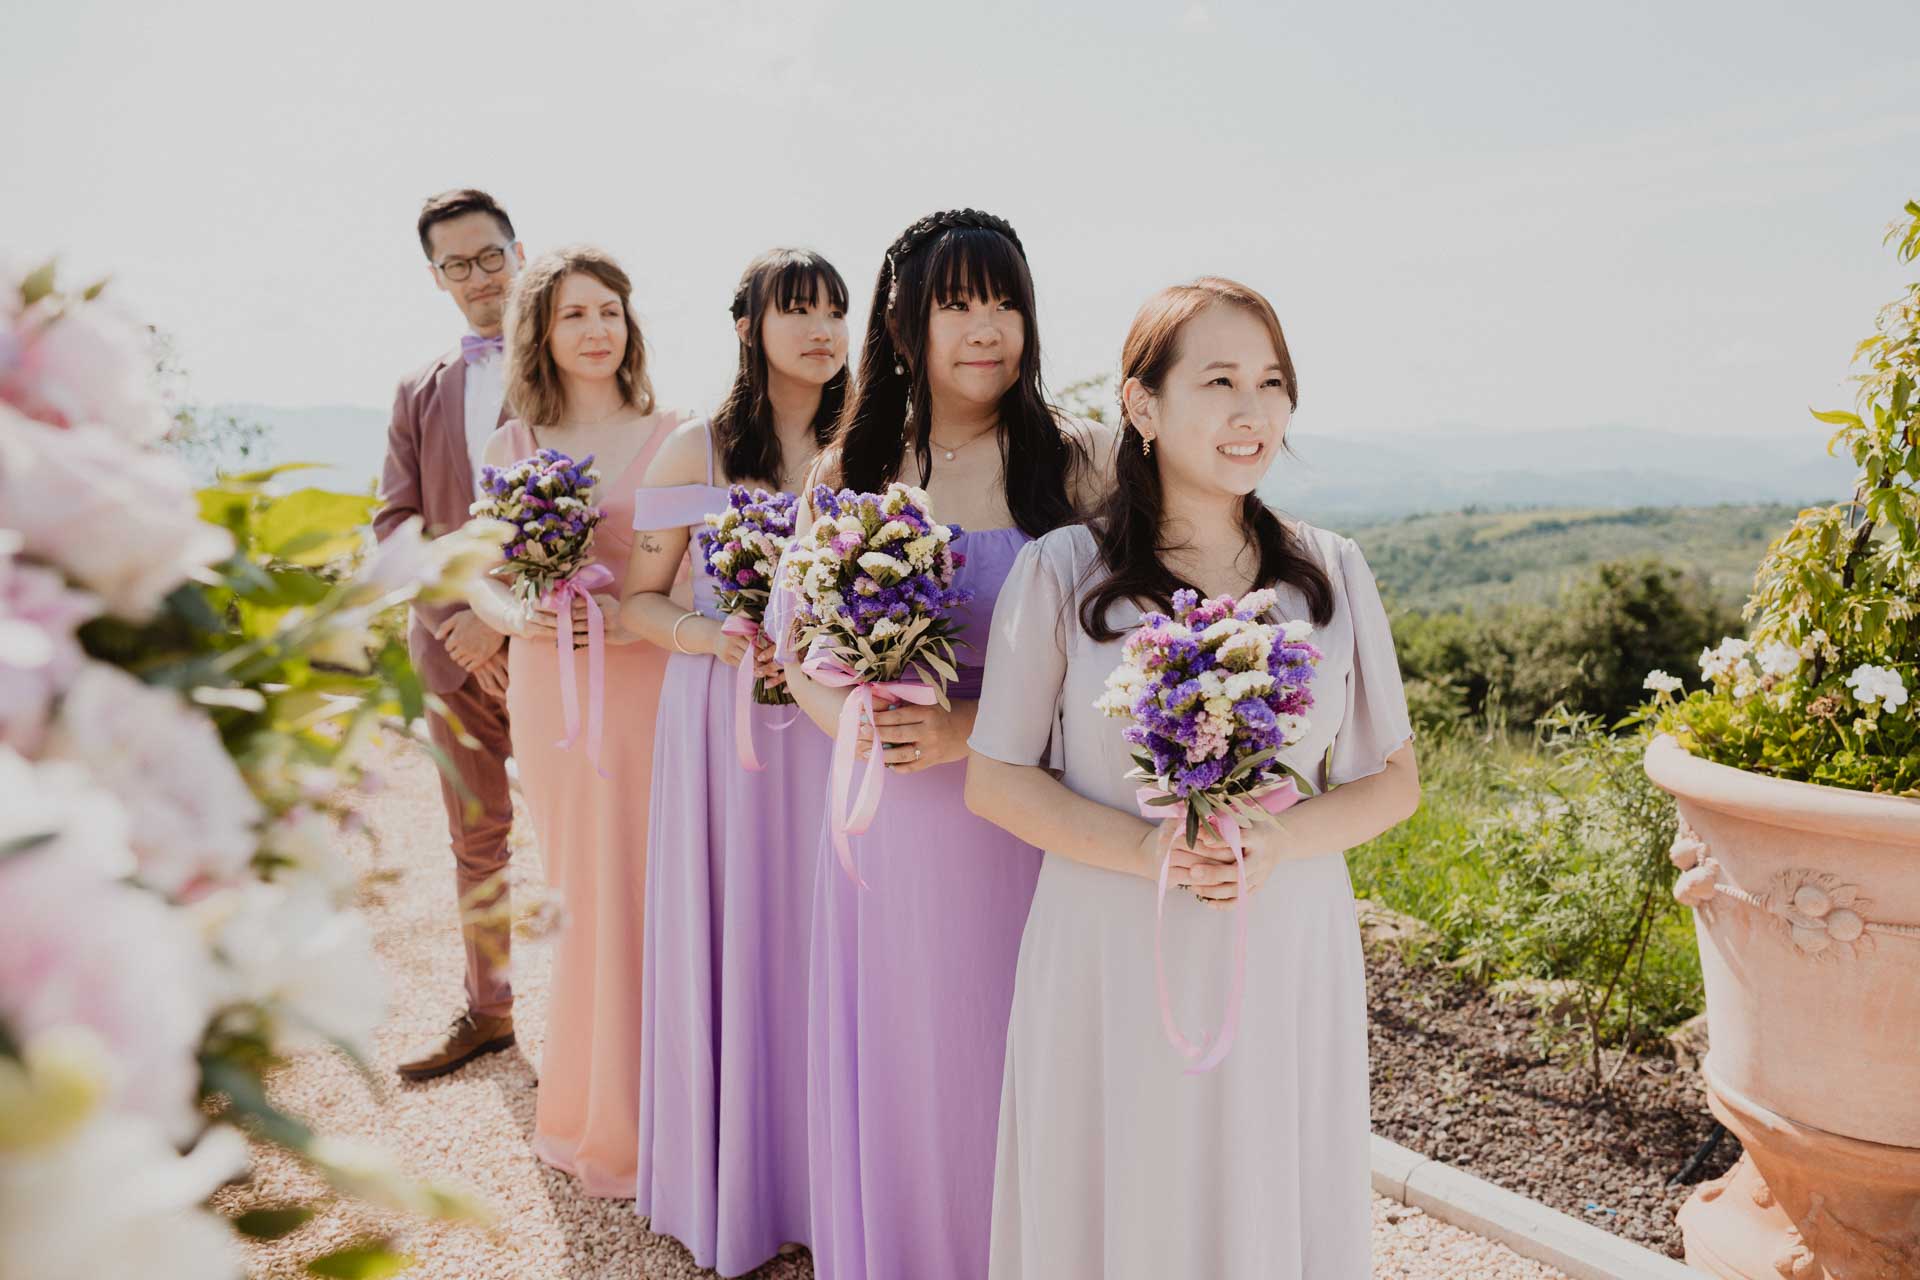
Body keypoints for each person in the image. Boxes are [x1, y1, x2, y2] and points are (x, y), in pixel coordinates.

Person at [965, 278, 1420, 1279]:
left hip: (1284, 933)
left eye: (1271, 382)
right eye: (1218, 380)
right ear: (1142, 404)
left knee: (1268, 1176)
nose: (1251, 410)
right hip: (1110, 936)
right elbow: (995, 778)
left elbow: (1393, 777)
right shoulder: (1060, 572)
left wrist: (1282, 840)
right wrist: (1147, 846)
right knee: (1120, 1177)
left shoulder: (1332, 572)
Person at [774, 209, 1112, 1280]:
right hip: (899, 820)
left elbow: (1122, 658)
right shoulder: (854, 463)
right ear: (906, 322)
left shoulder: (1083, 463)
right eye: (959, 302)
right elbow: (803, 644)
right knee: (917, 1062)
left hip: (1038, 815)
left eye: (1004, 298)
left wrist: (970, 726)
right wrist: (868, 724)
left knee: (1037, 1055)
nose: (987, 326)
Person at [621, 247, 850, 1274]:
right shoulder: (696, 448)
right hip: (726, 722)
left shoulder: (877, 441)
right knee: (741, 934)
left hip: (839, 724)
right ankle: (739, 1186)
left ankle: (833, 1178)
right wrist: (712, 636)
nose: (821, 329)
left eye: (836, 310)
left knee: (831, 939)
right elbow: (638, 599)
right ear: (749, 325)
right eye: (796, 310)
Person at [463, 245, 684, 1195]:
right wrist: (526, 617)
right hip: (558, 691)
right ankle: (604, 1116)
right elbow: (480, 577)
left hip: (658, 683)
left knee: (668, 888)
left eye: (610, 311)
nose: (598, 331)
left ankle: (689, 1114)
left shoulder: (679, 432)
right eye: (574, 316)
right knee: (589, 891)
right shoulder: (512, 448)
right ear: (540, 336)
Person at [376, 187, 528, 1083]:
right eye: (456, 265)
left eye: (490, 256)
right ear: (436, 277)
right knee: (476, 838)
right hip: (447, 653)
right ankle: (491, 1010)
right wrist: (457, 624)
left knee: (596, 833)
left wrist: (504, 625)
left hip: (552, 645)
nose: (478, 277)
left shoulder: (580, 362)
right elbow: (395, 523)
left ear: (519, 251)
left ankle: (616, 1023)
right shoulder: (418, 389)